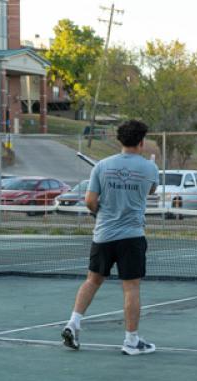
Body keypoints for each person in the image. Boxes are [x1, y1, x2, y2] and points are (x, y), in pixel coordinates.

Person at [61, 120, 159, 355]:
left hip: (103, 235)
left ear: (120, 140)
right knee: (131, 288)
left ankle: (73, 323)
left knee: (92, 280)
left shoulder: (102, 166)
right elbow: (151, 190)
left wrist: (100, 213)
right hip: (132, 237)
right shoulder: (149, 168)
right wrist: (150, 170)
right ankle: (131, 341)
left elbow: (90, 201)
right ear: (141, 142)